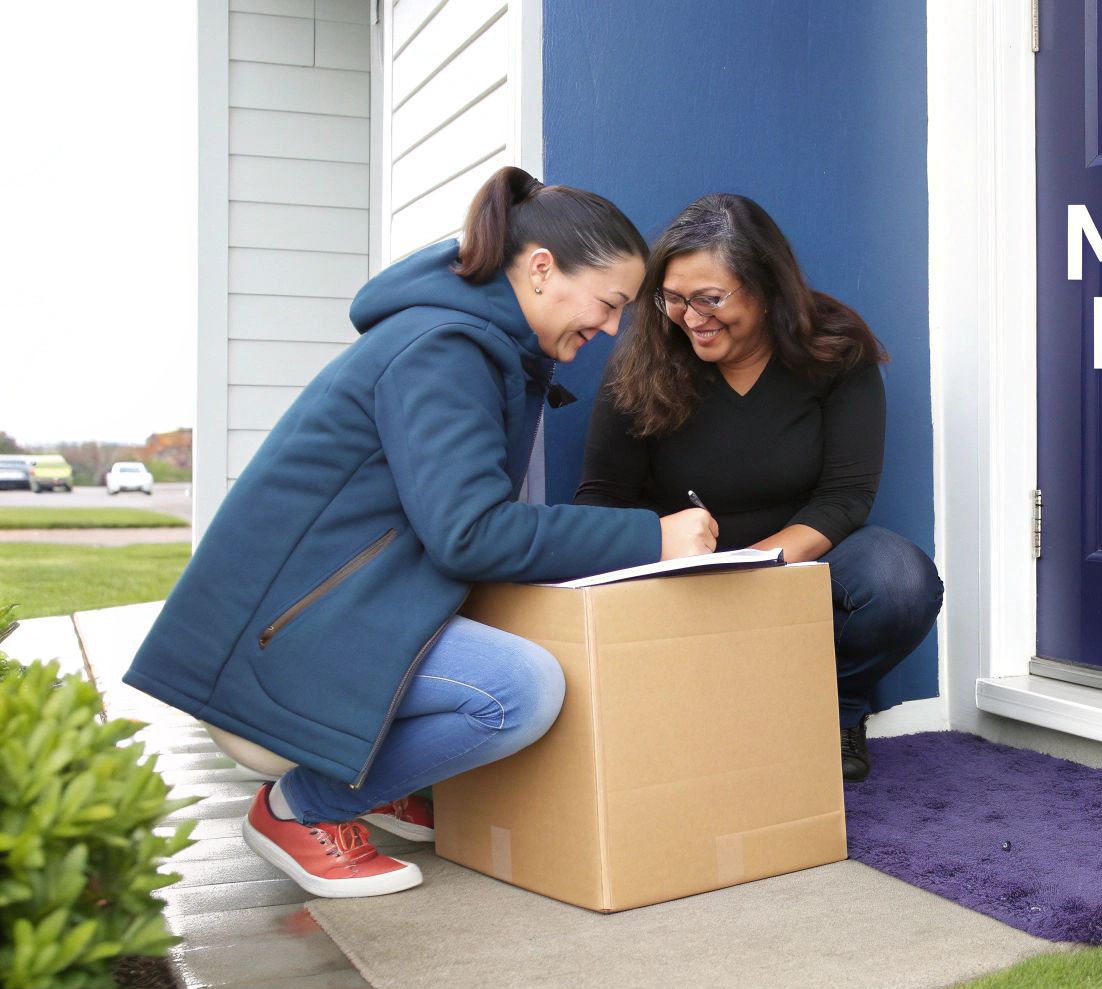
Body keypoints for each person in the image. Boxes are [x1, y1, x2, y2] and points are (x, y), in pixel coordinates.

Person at [122, 167, 719, 898]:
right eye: (610, 303)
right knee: (519, 690)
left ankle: (376, 777)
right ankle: (300, 808)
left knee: (515, 651)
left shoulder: (476, 343)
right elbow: (469, 535)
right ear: (540, 270)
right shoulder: (444, 350)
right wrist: (652, 538)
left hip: (325, 612)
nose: (611, 328)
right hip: (285, 638)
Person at [575, 194, 942, 783]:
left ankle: (834, 709)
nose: (691, 317)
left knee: (899, 582)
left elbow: (846, 496)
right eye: (673, 298)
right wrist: (665, 559)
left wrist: (755, 565)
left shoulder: (835, 349)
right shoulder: (643, 359)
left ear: (767, 285)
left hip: (801, 557)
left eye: (711, 298)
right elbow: (600, 498)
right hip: (680, 569)